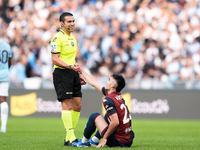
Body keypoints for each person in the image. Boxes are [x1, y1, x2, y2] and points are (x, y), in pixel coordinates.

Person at [72, 69, 135, 147]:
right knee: (109, 115)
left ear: (113, 85)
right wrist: (81, 71)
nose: (106, 81)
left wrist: (104, 138)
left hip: (118, 142)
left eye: (109, 80)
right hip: (128, 140)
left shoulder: (108, 99)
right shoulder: (117, 96)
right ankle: (95, 140)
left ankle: (84, 142)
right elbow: (94, 83)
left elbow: (115, 122)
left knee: (94, 116)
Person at [50, 12, 86, 146]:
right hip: (62, 73)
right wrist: (71, 67)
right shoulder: (57, 38)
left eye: (73, 21)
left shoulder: (72, 38)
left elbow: (72, 59)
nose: (72, 24)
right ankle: (71, 137)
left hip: (73, 73)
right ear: (62, 23)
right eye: (69, 21)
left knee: (78, 105)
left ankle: (68, 137)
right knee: (67, 104)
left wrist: (79, 74)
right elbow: (55, 59)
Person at [0, 41, 12, 133]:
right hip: (4, 74)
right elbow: (10, 62)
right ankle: (3, 126)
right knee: (3, 100)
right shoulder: (6, 46)